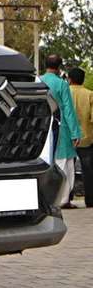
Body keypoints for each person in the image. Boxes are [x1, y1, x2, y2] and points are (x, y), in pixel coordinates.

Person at [40, 54, 82, 208]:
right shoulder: (62, 84)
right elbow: (68, 111)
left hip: (41, 128)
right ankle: (63, 199)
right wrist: (75, 133)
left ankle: (45, 199)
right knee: (64, 164)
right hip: (61, 129)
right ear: (59, 67)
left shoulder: (38, 81)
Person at [68, 66, 93, 208]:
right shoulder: (90, 94)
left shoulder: (65, 93)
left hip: (68, 139)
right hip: (86, 139)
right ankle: (90, 200)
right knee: (88, 170)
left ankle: (67, 198)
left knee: (67, 168)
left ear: (69, 79)